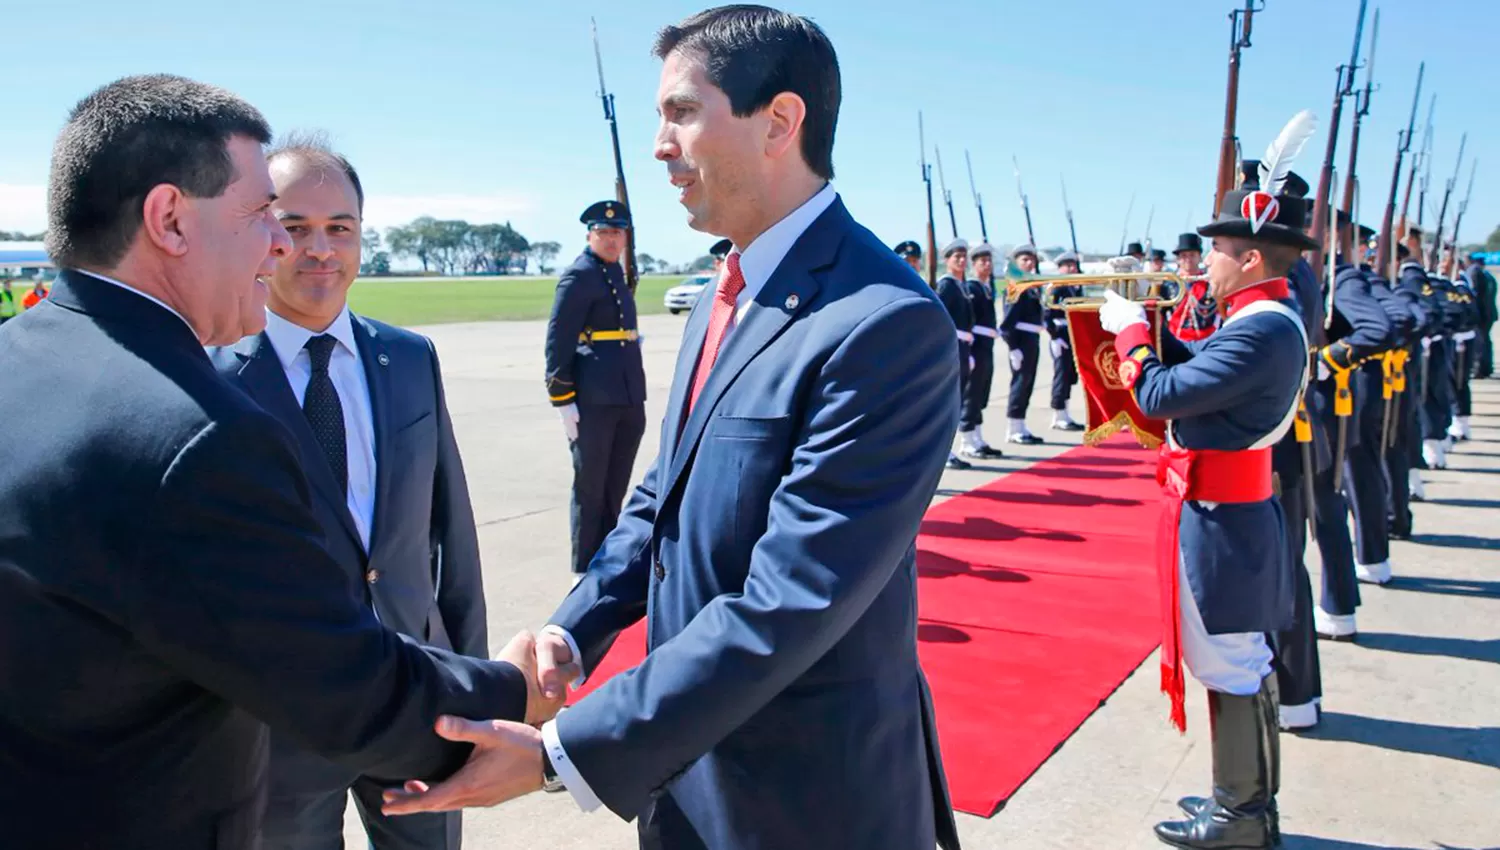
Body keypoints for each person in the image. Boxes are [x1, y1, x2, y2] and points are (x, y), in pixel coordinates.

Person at [383, 9, 962, 850]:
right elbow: (664, 498)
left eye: (683, 112)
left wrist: (558, 756)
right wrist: (571, 631)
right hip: (685, 770)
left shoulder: (882, 323)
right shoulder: (728, 290)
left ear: (780, 122)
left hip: (802, 798)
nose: (659, 143)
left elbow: (791, 599)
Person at [0, 74, 544, 850]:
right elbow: (344, 690)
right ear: (170, 220)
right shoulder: (196, 431)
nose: (285, 246)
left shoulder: (21, 358)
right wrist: (513, 692)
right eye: (263, 215)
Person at [205, 135, 488, 850]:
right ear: (262, 235)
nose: (319, 250)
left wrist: (474, 691)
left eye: (341, 228)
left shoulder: (409, 359)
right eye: (295, 227)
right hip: (279, 723)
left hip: (413, 699)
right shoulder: (209, 377)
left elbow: (451, 534)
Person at [1100, 172, 1314, 850]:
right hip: (1231, 510)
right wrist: (1155, 334)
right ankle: (1248, 807)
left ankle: (1238, 816)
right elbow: (1196, 370)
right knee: (1240, 660)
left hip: (1225, 516)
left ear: (1250, 258)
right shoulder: (1263, 322)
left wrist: (1132, 333)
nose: (1207, 259)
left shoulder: (1261, 331)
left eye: (1218, 248)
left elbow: (1160, 397)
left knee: (1230, 661)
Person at [544, 200, 648, 581]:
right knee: (590, 486)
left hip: (627, 395)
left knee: (616, 483)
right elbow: (558, 340)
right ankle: (583, 566)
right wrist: (562, 399)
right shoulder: (580, 275)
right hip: (592, 399)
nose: (610, 238)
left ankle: (608, 556)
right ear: (590, 235)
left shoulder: (615, 273)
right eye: (603, 232)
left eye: (616, 232)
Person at [959, 241, 1005, 457]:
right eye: (982, 261)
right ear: (974, 265)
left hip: (986, 346)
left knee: (981, 393)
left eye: (988, 261)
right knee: (971, 393)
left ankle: (977, 436)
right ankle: (967, 439)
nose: (987, 265)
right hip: (976, 346)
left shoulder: (986, 288)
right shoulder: (971, 288)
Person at [936, 237, 977, 468]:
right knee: (949, 402)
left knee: (960, 398)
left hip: (964, 345)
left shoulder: (961, 285)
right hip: (954, 345)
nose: (961, 261)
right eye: (956, 257)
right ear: (947, 260)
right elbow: (941, 320)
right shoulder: (947, 285)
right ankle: (943, 452)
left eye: (963, 257)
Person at [1000, 242, 1045, 444]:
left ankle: (1020, 424)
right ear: (1016, 262)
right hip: (1021, 340)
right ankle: (1013, 427)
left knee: (1028, 382)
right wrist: (1013, 347)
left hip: (1032, 338)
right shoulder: (1014, 286)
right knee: (1020, 383)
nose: (1029, 263)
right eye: (1024, 260)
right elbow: (1007, 323)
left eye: (1031, 260)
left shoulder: (1030, 286)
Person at [1046, 251, 1083, 430]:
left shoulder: (1071, 287)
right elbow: (1047, 315)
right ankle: (1058, 412)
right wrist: (1054, 337)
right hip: (1060, 336)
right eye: (1067, 265)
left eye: (1073, 265)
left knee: (1069, 376)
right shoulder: (1056, 287)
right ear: (1060, 268)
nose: (1072, 268)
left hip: (1070, 336)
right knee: (1061, 376)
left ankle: (1064, 412)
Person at [1467, 252, 1496, 378]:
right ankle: (1486, 367)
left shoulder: (1474, 272)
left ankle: (1479, 369)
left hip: (1481, 313)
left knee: (1480, 342)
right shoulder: (1489, 276)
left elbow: (1475, 294)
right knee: (1486, 341)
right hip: (1489, 313)